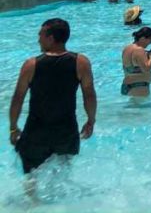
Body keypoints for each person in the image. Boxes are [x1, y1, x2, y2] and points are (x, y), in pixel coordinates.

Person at [8, 18, 96, 175]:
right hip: (66, 131)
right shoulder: (81, 62)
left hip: (36, 132)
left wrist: (13, 127)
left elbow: (18, 98)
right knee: (62, 176)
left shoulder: (31, 65)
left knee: (31, 179)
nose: (38, 40)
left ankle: (32, 200)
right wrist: (90, 120)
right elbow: (89, 95)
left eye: (40, 35)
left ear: (51, 38)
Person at [121, 26, 151, 98]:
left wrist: (149, 53)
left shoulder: (127, 48)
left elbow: (134, 64)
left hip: (127, 86)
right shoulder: (139, 50)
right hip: (138, 88)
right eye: (150, 40)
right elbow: (146, 69)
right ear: (142, 39)